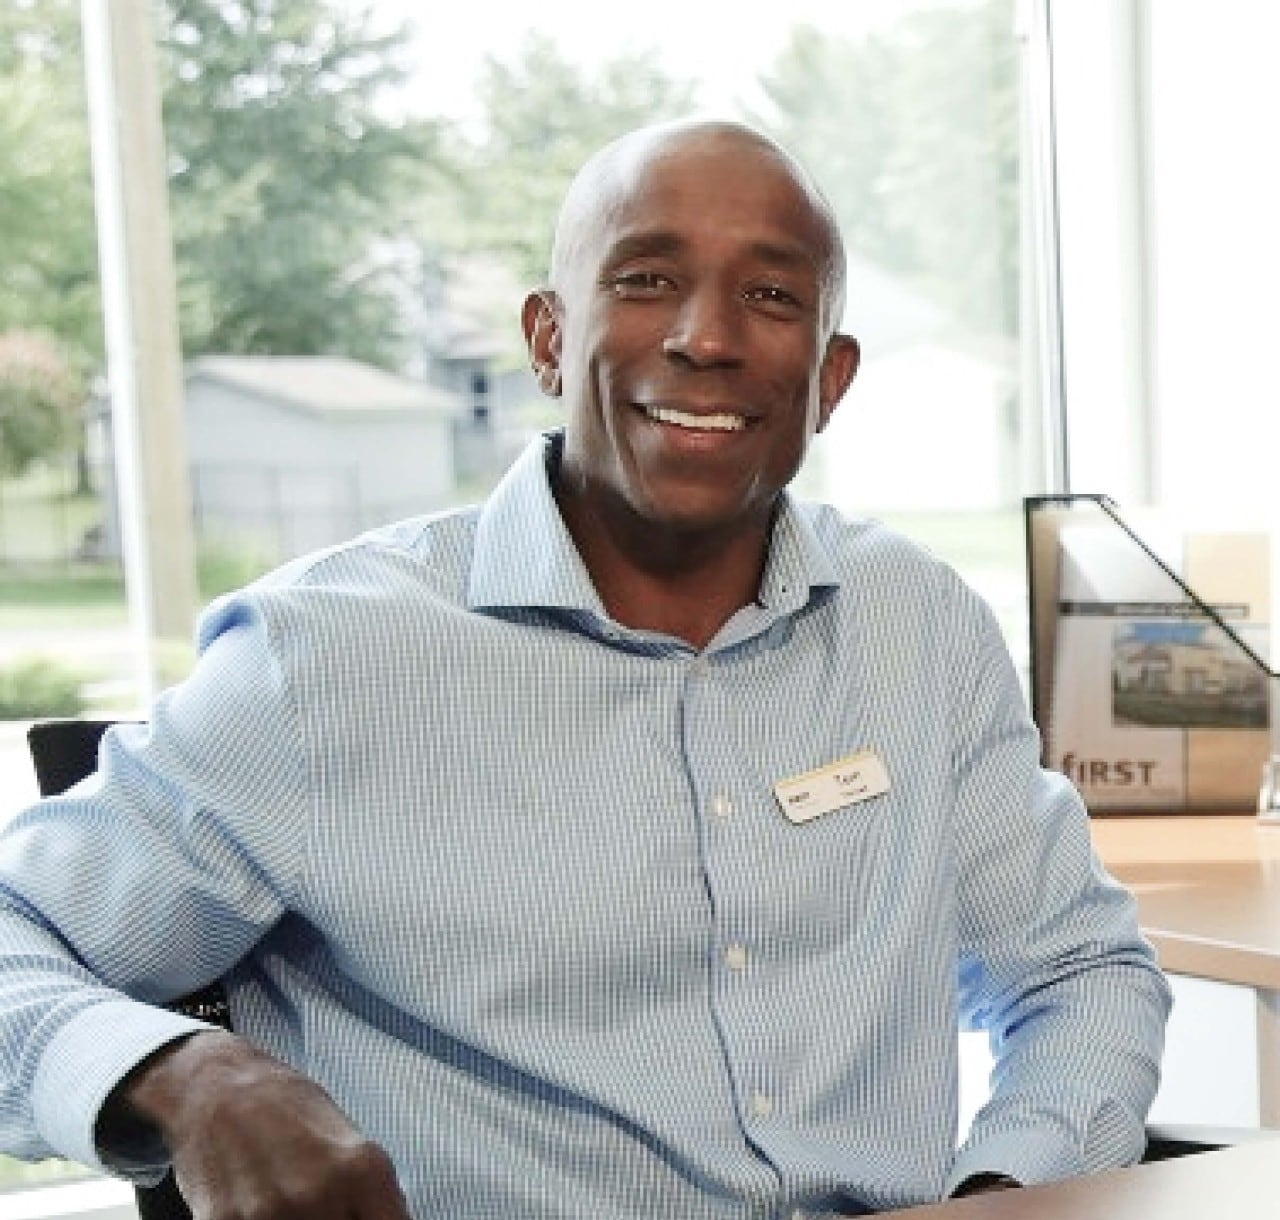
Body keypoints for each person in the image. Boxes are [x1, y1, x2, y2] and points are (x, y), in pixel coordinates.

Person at [0, 119, 1169, 1219]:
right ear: (549, 336)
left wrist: (1005, 1190)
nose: (706, 337)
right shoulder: (325, 654)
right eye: (645, 279)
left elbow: (1078, 969)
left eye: (769, 296)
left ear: (829, 375)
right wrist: (186, 1072)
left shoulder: (915, 622)